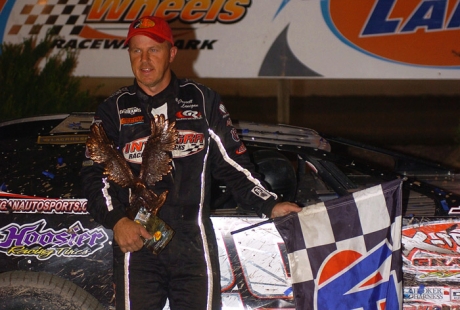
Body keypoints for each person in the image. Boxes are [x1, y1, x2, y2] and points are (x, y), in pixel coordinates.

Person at [80, 15, 301, 310]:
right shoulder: (113, 109)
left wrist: (269, 204)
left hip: (193, 246)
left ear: (171, 53)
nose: (144, 60)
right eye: (136, 50)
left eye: (154, 50)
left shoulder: (202, 101)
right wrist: (117, 221)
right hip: (138, 244)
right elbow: (95, 177)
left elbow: (233, 166)